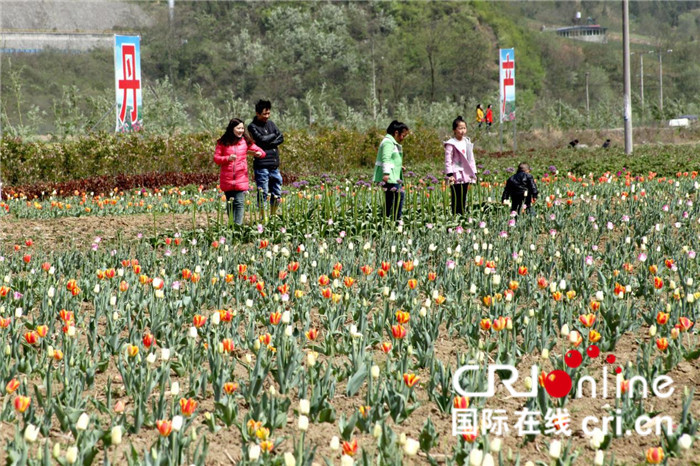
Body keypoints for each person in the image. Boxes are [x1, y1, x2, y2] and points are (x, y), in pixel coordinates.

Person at [213, 118, 265, 225]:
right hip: (227, 179)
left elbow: (261, 151)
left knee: (239, 203)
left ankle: (238, 226)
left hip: (241, 177)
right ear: (232, 129)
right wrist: (227, 158)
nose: (241, 130)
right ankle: (232, 225)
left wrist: (259, 154)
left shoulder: (245, 141)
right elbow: (216, 158)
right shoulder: (223, 142)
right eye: (238, 128)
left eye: (242, 128)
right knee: (230, 204)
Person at [248, 99, 284, 219]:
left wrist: (268, 140)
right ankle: (264, 218)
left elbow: (281, 137)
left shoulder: (271, 124)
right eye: (264, 114)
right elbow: (261, 140)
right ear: (258, 113)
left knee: (277, 192)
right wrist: (274, 136)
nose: (267, 116)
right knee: (262, 192)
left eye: (268, 113)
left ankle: (273, 216)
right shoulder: (252, 126)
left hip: (274, 164)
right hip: (262, 165)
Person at [373, 120, 410, 222]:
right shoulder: (388, 142)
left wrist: (399, 166)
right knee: (399, 196)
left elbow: (392, 159)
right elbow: (386, 158)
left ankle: (387, 220)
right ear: (396, 132)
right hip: (389, 177)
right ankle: (395, 219)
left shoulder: (390, 142)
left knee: (390, 199)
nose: (403, 138)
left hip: (392, 175)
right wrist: (386, 173)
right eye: (403, 135)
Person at [444, 116, 477, 216]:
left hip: (466, 172)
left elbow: (471, 158)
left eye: (464, 128)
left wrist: (474, 172)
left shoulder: (467, 142)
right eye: (460, 128)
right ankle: (455, 214)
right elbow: (448, 159)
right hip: (456, 172)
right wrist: (449, 174)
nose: (462, 131)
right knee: (456, 195)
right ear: (454, 130)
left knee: (464, 194)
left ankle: (462, 214)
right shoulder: (451, 143)